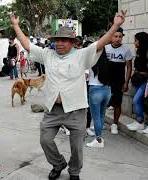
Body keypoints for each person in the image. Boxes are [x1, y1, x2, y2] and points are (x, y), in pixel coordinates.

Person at [10, 10, 126, 180]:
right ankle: (58, 164)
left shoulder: (81, 55)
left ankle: (74, 172)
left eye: (64, 40)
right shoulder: (47, 54)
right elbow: (27, 45)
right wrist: (15, 25)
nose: (60, 43)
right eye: (57, 40)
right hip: (53, 110)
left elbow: (100, 44)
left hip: (76, 111)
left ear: (72, 42)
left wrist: (116, 25)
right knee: (45, 140)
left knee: (77, 147)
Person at [106, 27, 132, 134]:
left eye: (120, 37)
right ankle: (99, 122)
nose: (117, 39)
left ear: (122, 37)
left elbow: (129, 67)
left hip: (119, 81)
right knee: (103, 103)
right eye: (115, 36)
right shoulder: (106, 48)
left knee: (117, 104)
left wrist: (126, 82)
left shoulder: (126, 49)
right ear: (111, 36)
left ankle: (114, 124)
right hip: (106, 81)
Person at [86, 46, 112, 148]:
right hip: (107, 90)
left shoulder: (90, 62)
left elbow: (85, 76)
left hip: (95, 90)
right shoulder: (108, 61)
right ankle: (99, 138)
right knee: (101, 115)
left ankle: (98, 139)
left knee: (96, 117)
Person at [127, 32, 148, 132]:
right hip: (138, 80)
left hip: (145, 81)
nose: (134, 42)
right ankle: (140, 122)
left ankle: (141, 122)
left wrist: (141, 73)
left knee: (136, 100)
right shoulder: (139, 51)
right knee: (139, 101)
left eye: (136, 40)